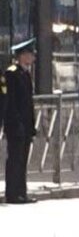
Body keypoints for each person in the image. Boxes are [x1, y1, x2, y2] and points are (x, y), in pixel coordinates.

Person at [2, 38, 38, 204]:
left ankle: (21, 192)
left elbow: (28, 103)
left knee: (22, 160)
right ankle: (12, 193)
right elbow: (10, 102)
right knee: (15, 160)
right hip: (15, 125)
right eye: (30, 54)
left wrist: (31, 125)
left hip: (25, 125)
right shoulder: (12, 73)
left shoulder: (25, 74)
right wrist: (15, 123)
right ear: (23, 55)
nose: (33, 57)